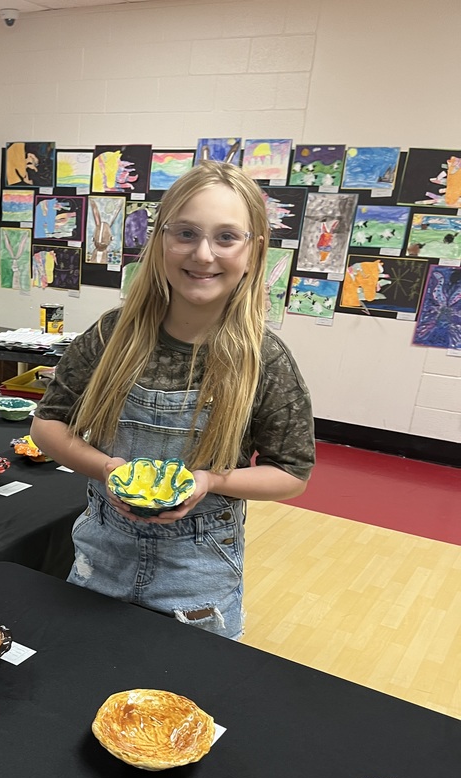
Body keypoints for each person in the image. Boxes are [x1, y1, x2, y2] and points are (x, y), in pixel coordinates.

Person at [30, 161, 315, 640]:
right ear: (160, 240)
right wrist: (106, 468)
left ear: (253, 250)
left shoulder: (263, 359)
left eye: (226, 237)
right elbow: (48, 425)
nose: (203, 254)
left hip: (198, 581)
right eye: (185, 233)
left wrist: (210, 480)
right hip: (100, 563)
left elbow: (291, 474)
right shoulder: (110, 336)